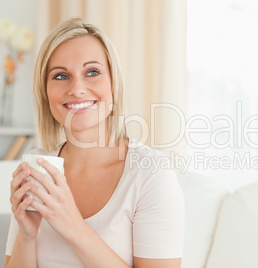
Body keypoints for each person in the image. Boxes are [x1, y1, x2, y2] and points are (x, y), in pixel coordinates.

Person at [5, 18, 184, 268]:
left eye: (92, 72)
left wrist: (72, 225)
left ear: (113, 83)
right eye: (61, 75)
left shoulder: (151, 173)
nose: (77, 88)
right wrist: (26, 234)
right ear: (45, 92)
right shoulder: (39, 166)